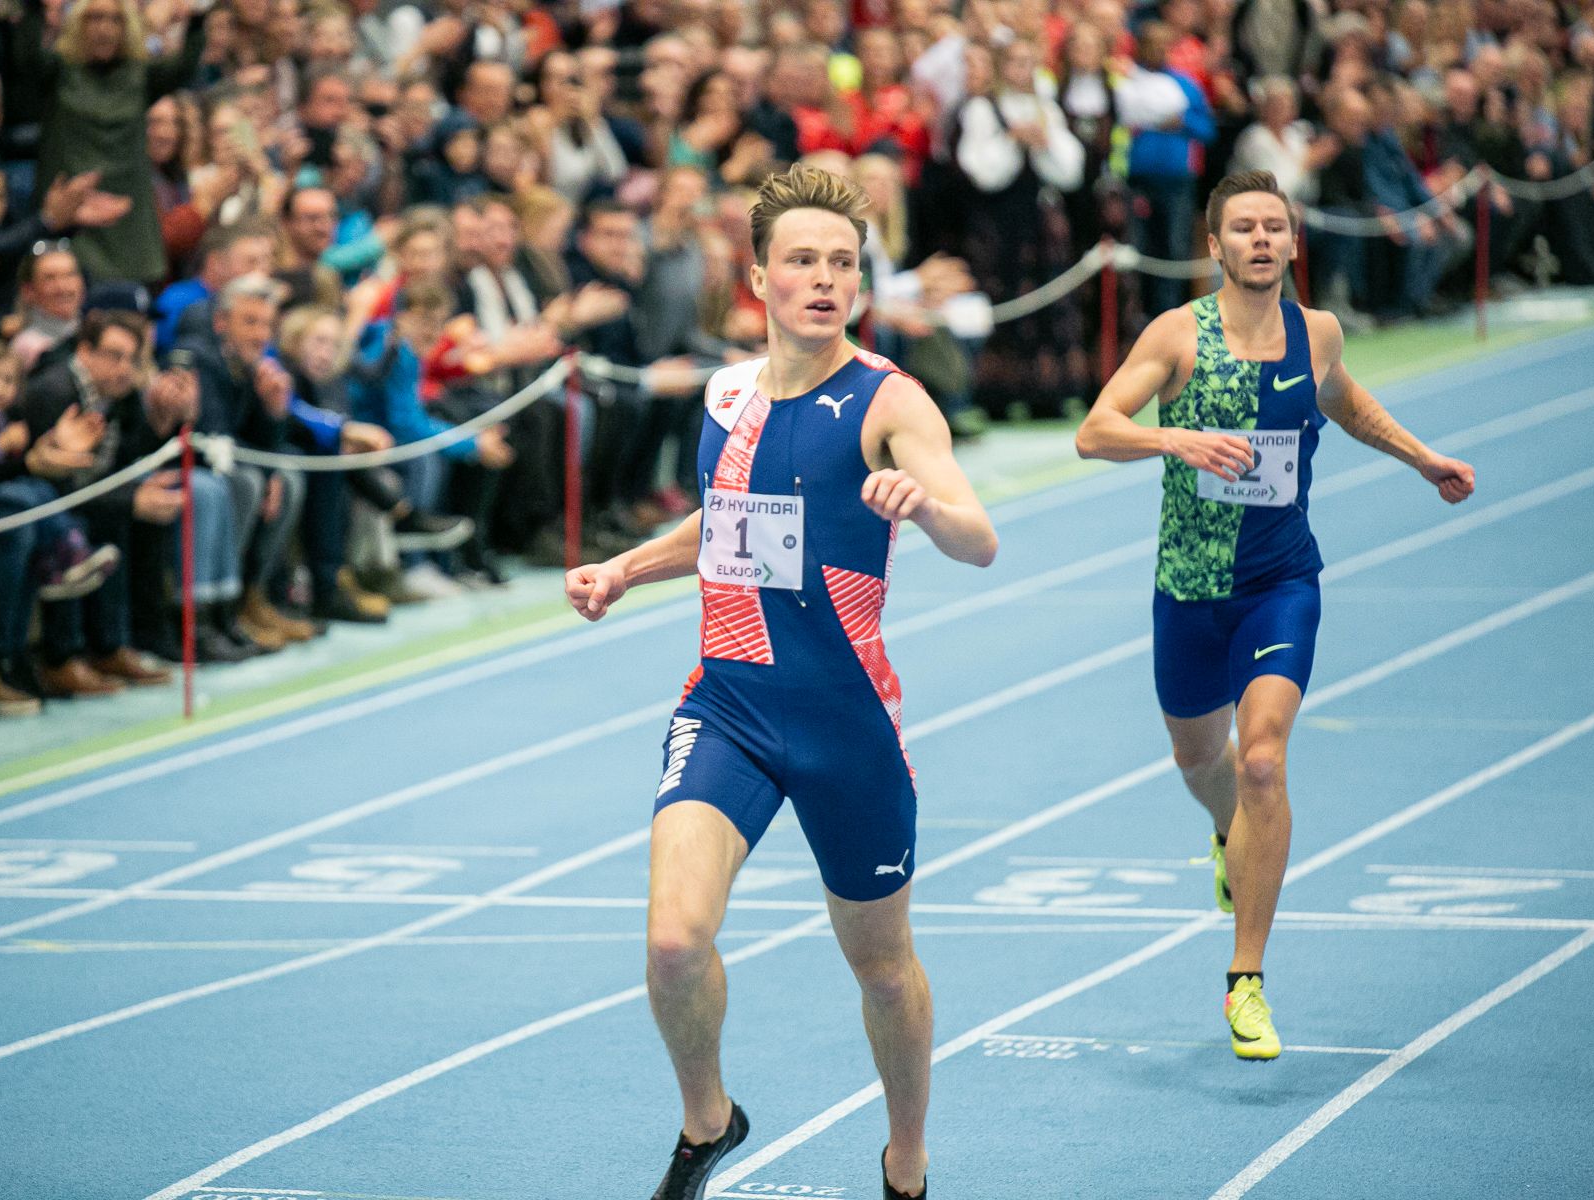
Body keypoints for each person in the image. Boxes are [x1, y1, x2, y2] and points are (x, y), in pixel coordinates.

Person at [564, 165, 998, 1200]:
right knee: (674, 941)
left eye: (843, 263)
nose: (825, 279)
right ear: (758, 278)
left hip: (847, 724)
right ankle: (708, 1120)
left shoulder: (889, 399)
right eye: (803, 260)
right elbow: (722, 526)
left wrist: (924, 507)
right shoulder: (726, 394)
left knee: (882, 968)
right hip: (730, 704)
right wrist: (628, 566)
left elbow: (978, 537)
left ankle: (906, 1158)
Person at [1073, 170, 1476, 1060]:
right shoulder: (1177, 336)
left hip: (1280, 583)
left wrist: (1420, 457)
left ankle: (1245, 980)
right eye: (1243, 228)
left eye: (1274, 227)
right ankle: (1226, 837)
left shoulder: (1317, 332)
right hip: (1187, 589)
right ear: (1213, 246)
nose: (1261, 239)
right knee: (1198, 759)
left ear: (1294, 243)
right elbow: (1094, 430)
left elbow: (1344, 401)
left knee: (1262, 761)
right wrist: (1173, 437)